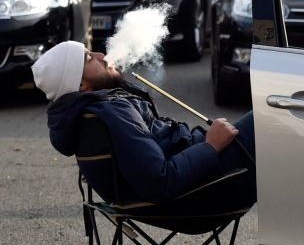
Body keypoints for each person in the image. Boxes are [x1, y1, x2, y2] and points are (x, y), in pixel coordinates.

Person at [32, 41, 256, 212]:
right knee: (269, 118)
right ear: (80, 84)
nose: (101, 55)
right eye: (90, 58)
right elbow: (161, 182)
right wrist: (211, 146)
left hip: (201, 175)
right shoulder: (113, 111)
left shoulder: (93, 108)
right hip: (205, 188)